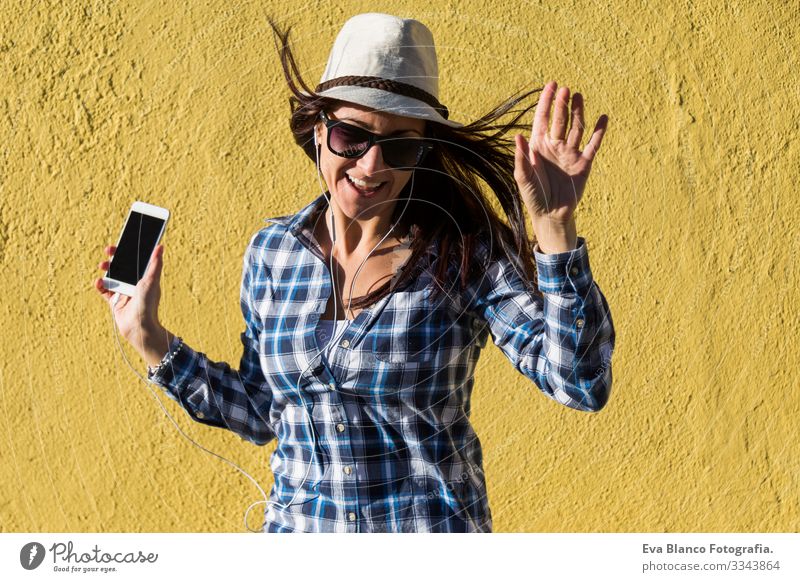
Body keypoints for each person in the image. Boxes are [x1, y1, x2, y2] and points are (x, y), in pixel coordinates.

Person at [94, 12, 615, 533]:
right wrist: (150, 338)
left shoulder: (465, 252)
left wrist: (554, 229)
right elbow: (261, 410)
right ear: (319, 131)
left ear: (424, 152)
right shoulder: (273, 253)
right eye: (351, 135)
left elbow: (580, 382)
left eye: (401, 145)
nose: (371, 166)